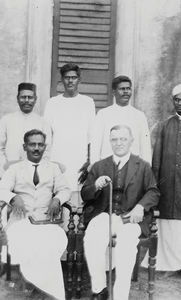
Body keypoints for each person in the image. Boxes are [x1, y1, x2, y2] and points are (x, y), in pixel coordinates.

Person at [81, 125, 159, 300]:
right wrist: (95, 186)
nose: (119, 143)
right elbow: (85, 194)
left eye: (123, 139)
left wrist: (140, 206)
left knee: (126, 245)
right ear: (110, 142)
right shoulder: (99, 166)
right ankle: (100, 290)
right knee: (92, 238)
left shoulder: (143, 166)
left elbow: (153, 192)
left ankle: (120, 296)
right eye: (114, 139)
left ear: (131, 141)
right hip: (104, 214)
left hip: (130, 217)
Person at [0, 129, 71, 300]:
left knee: (49, 244)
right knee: (23, 242)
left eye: (40, 144)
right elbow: (2, 189)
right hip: (21, 221)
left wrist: (57, 200)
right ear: (25, 146)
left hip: (46, 221)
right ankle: (29, 288)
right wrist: (13, 196)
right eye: (32, 144)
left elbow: (65, 189)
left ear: (45, 147)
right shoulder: (15, 169)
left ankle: (48, 293)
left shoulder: (53, 168)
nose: (36, 148)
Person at [142, 84, 181, 282]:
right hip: (168, 185)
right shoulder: (165, 125)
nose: (179, 103)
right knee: (168, 225)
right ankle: (170, 264)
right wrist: (156, 183)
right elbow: (157, 158)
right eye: (176, 100)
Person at [44, 63, 95, 206]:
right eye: (67, 78)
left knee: (78, 203)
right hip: (58, 159)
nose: (70, 81)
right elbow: (47, 135)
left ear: (79, 79)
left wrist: (90, 160)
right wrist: (49, 162)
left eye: (74, 77)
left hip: (80, 160)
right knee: (58, 196)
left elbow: (92, 135)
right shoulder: (52, 103)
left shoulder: (87, 102)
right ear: (62, 79)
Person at [90, 75, 152, 165]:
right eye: (122, 89)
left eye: (128, 88)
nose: (126, 92)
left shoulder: (139, 116)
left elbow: (145, 146)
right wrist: (94, 166)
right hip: (108, 165)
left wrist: (147, 167)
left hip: (132, 167)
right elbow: (95, 144)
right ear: (114, 92)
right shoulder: (103, 114)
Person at [0, 82, 52, 178]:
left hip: (32, 175)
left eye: (30, 97)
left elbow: (46, 150)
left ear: (35, 99)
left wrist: (37, 172)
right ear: (17, 99)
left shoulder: (43, 123)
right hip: (8, 172)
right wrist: (4, 171)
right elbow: (0, 148)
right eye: (23, 97)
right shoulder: (6, 120)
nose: (27, 100)